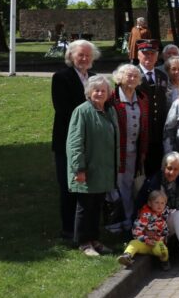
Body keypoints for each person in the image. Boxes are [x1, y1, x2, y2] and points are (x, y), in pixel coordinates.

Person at [51, 39, 98, 241]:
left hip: (93, 142)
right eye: (80, 54)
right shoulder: (61, 77)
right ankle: (68, 230)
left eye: (88, 55)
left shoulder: (95, 78)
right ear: (71, 56)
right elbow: (63, 110)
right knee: (69, 185)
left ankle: (88, 229)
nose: (85, 58)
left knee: (91, 187)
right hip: (68, 141)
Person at [67, 74, 119, 256]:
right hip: (87, 169)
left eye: (103, 90)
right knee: (85, 207)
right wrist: (78, 169)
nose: (99, 93)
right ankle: (83, 242)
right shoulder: (82, 111)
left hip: (103, 169)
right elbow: (75, 142)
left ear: (109, 93)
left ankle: (94, 239)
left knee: (97, 206)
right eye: (96, 90)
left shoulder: (109, 111)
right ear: (89, 92)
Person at [111, 64, 150, 231]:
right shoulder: (112, 98)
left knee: (130, 185)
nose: (132, 78)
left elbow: (145, 127)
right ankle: (118, 220)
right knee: (117, 186)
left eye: (135, 76)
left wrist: (143, 151)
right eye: (128, 75)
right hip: (116, 152)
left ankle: (129, 218)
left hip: (135, 151)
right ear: (120, 78)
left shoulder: (141, 98)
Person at [137, 40, 170, 173]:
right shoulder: (132, 74)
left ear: (157, 56)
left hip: (159, 130)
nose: (149, 57)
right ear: (138, 55)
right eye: (145, 53)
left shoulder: (162, 76)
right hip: (141, 130)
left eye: (152, 53)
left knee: (157, 168)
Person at [118, 190, 170, 270]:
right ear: (150, 203)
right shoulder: (145, 215)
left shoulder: (164, 214)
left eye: (162, 203)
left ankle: (165, 261)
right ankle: (127, 256)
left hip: (157, 243)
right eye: (156, 202)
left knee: (162, 250)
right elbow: (136, 231)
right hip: (144, 243)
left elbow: (165, 232)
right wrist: (145, 239)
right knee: (133, 243)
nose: (159, 205)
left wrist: (158, 239)